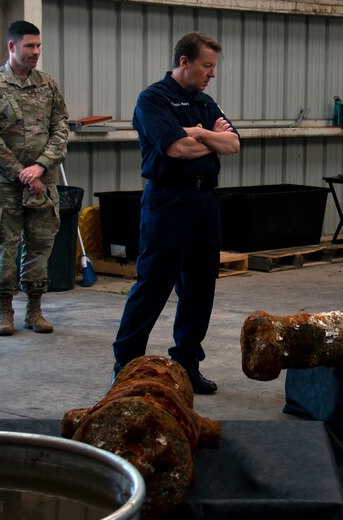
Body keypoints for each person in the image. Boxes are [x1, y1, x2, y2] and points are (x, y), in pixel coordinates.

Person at [112, 32, 240, 394]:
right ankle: (126, 364)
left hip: (204, 203)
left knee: (200, 288)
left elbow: (233, 144)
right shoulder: (153, 99)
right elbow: (177, 149)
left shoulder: (205, 102)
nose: (211, 73)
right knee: (153, 285)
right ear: (184, 62)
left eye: (214, 66)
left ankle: (187, 363)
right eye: (206, 65)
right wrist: (205, 139)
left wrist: (198, 132)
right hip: (168, 202)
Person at [0, 20, 69, 336]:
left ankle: (34, 310)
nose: (36, 52)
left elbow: (61, 128)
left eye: (39, 46)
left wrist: (40, 166)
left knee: (40, 245)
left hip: (43, 180)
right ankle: (4, 312)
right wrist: (20, 172)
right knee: (4, 246)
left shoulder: (49, 86)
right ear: (12, 47)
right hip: (4, 184)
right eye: (30, 46)